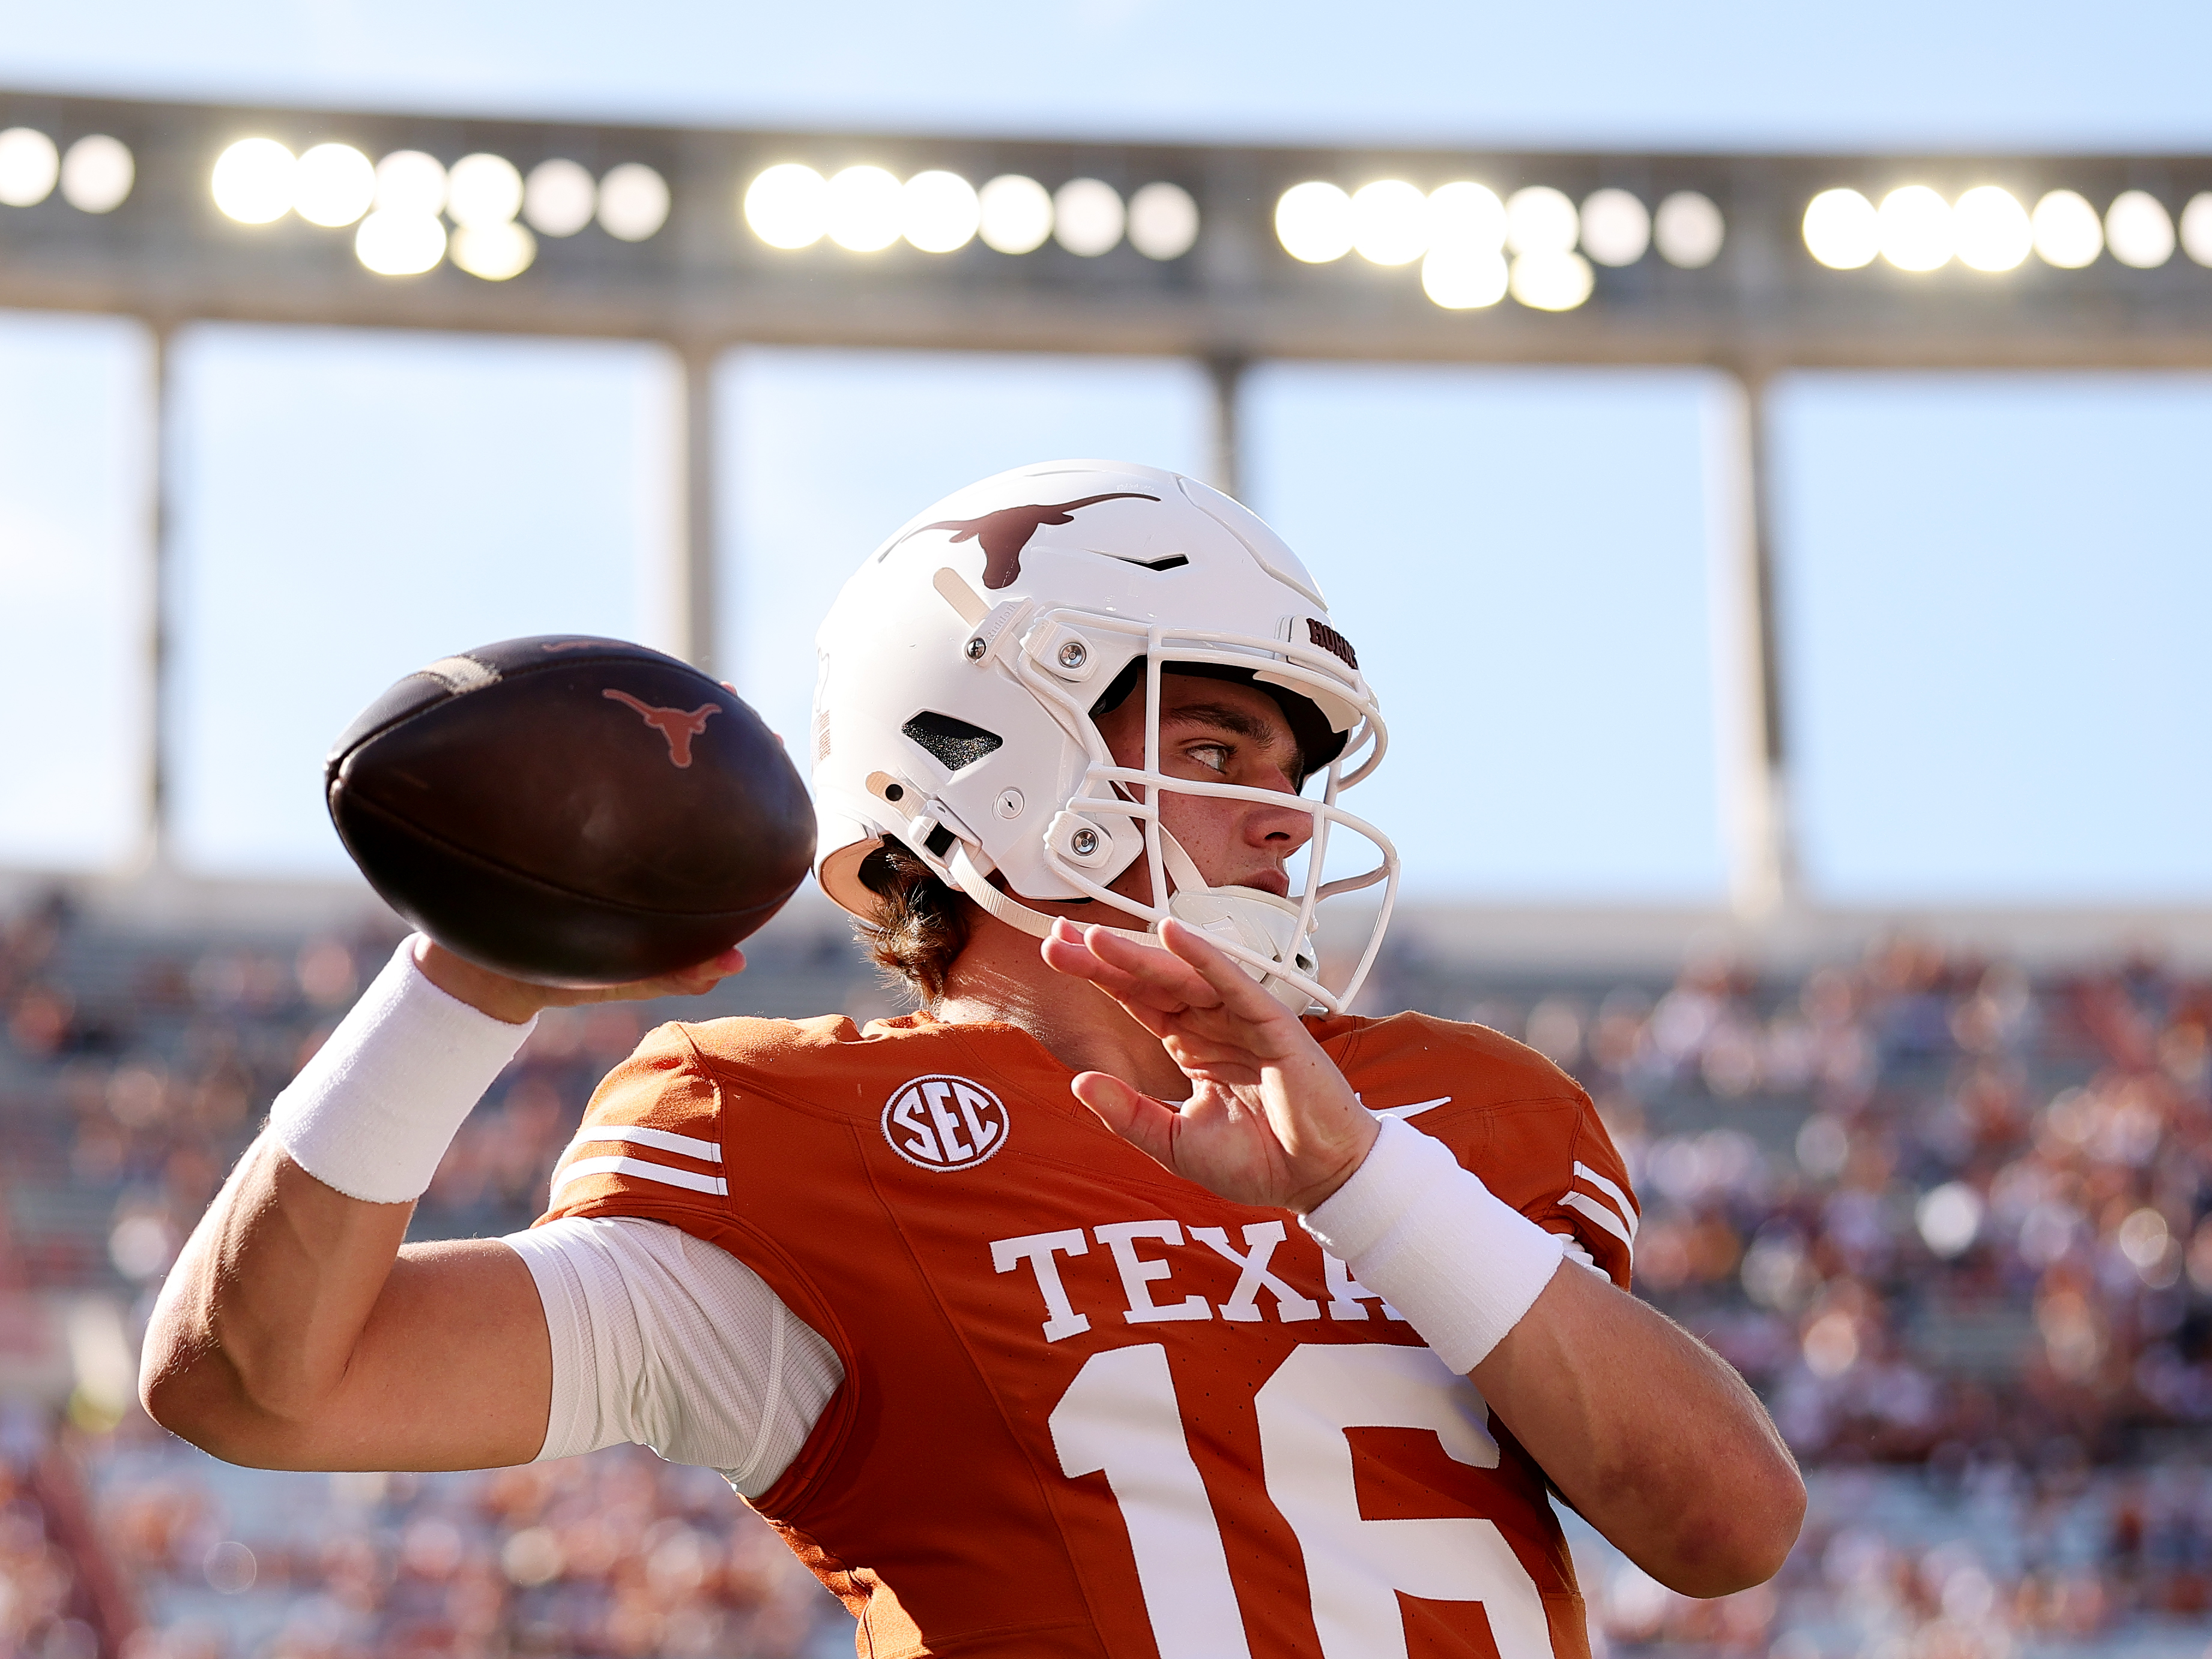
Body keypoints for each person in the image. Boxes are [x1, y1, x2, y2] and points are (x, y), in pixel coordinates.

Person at [143, 461, 1804, 1657]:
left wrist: (1366, 1182)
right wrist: (466, 983)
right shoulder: (794, 1132)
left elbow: (1726, 1529)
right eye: (1217, 745)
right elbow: (260, 1386)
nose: (1285, 822)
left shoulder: (1456, 1109)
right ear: (992, 753)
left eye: (1291, 772)